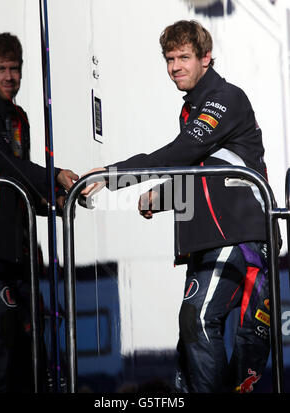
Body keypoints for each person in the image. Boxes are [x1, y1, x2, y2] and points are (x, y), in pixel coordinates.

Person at [81, 20, 273, 393]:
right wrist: (163, 196)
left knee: (205, 324)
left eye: (184, 57)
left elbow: (183, 153)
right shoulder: (192, 111)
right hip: (210, 240)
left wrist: (112, 174)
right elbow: (204, 171)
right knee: (192, 334)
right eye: (169, 59)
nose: (175, 67)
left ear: (206, 57)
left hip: (241, 237)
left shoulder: (226, 97)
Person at [0, 32, 78, 392]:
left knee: (33, 337)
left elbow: (20, 179)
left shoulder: (20, 117)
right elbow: (4, 165)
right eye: (2, 68)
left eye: (15, 69)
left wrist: (52, 202)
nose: (10, 76)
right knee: (4, 338)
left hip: (22, 249)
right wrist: (54, 175)